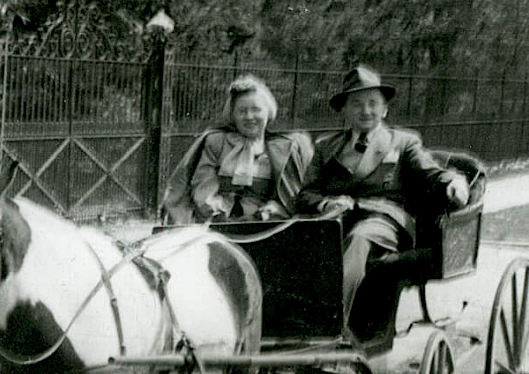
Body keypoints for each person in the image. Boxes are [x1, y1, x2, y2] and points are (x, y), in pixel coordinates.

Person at [295, 65, 469, 324]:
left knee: (360, 238)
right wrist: (326, 204)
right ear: (344, 110)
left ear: (385, 108)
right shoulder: (325, 147)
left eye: (372, 103)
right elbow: (306, 194)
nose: (365, 111)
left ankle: (332, 326)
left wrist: (454, 181)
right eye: (356, 104)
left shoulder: (403, 142)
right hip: (336, 219)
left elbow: (430, 172)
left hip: (385, 221)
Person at [162, 75, 313, 223]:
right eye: (241, 111)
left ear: (268, 112)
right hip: (216, 223)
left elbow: (288, 198)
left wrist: (266, 213)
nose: (249, 116)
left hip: (263, 226)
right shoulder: (216, 142)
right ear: (232, 115)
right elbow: (203, 188)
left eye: (256, 110)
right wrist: (217, 215)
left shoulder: (284, 148)